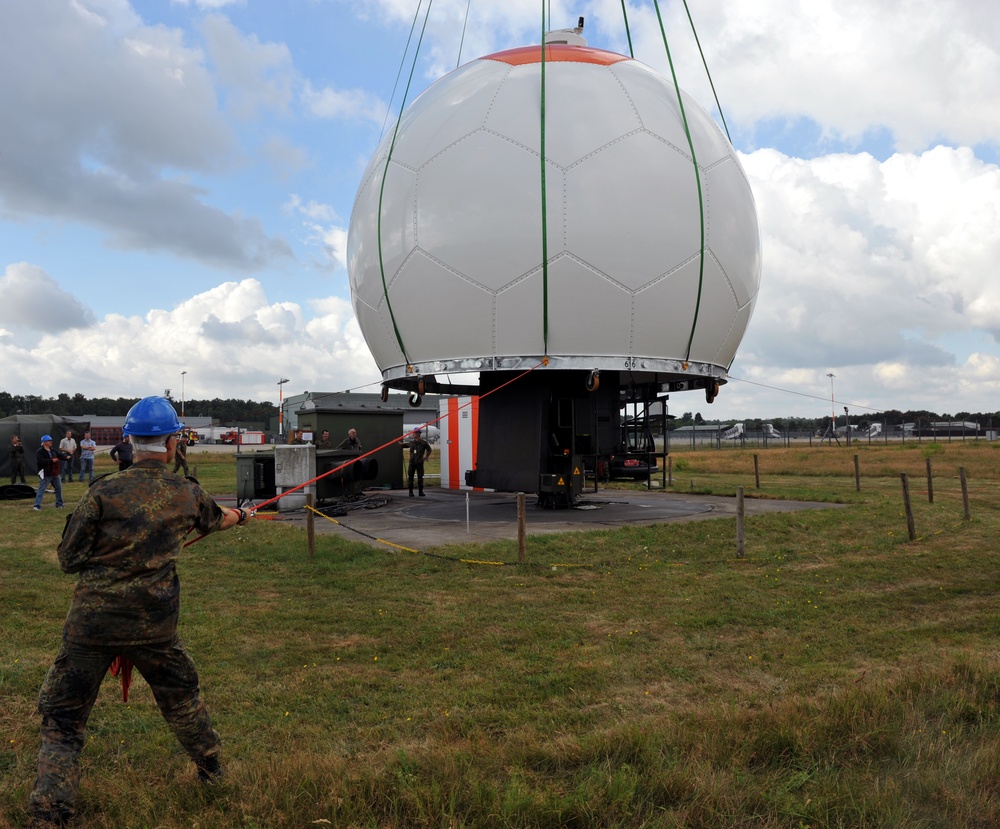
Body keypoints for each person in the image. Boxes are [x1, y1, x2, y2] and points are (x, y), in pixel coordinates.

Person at [28, 396, 253, 826]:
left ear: (130, 442)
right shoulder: (187, 493)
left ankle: (50, 813)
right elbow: (217, 519)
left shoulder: (102, 492)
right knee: (182, 699)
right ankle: (213, 771)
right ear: (172, 444)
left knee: (64, 717)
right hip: (155, 625)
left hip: (92, 624)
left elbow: (68, 559)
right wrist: (242, 516)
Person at [33, 435, 70, 511]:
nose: (51, 442)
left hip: (54, 473)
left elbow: (59, 455)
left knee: (58, 488)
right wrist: (51, 461)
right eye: (49, 441)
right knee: (42, 489)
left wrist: (66, 457)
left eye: (51, 440)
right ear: (44, 442)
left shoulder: (53, 450)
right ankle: (36, 506)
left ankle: (59, 504)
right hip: (46, 473)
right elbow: (40, 462)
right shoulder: (39, 452)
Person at [406, 429, 432, 497]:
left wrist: (426, 457)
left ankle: (421, 492)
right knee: (410, 477)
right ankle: (410, 492)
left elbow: (429, 450)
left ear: (418, 434)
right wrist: (398, 442)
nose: (413, 434)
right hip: (412, 462)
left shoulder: (423, 443)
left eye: (414, 433)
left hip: (419, 463)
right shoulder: (411, 443)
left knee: (420, 478)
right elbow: (404, 445)